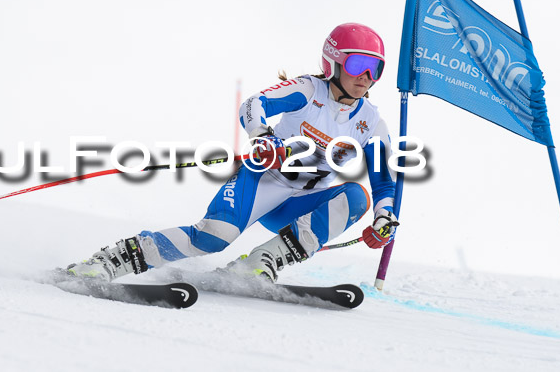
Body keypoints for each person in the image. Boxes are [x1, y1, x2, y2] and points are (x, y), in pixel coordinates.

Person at [68, 23, 398, 282]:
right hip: (263, 181)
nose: (367, 77)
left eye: (376, 69)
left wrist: (384, 218)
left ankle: (258, 263)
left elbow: (384, 181)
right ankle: (111, 261)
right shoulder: (310, 90)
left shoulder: (371, 121)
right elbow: (254, 104)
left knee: (358, 197)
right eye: (359, 64)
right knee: (213, 238)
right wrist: (262, 137)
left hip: (302, 202)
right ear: (335, 62)